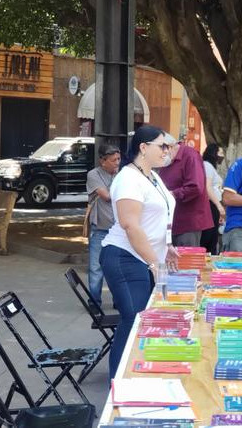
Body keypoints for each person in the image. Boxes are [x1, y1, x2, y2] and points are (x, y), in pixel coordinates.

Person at [99, 126, 179, 379]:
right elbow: (130, 224)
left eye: (168, 146)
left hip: (143, 257)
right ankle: (118, 383)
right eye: (162, 146)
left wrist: (166, 247)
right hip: (125, 256)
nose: (167, 151)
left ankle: (132, 376)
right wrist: (154, 262)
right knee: (133, 320)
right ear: (143, 148)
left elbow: (159, 215)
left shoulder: (152, 176)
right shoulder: (128, 178)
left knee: (140, 319)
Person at [157, 133, 213, 246]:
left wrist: (172, 194)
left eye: (162, 152)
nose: (162, 156)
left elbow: (196, 187)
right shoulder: (167, 160)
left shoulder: (190, 156)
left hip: (188, 222)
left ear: (170, 147)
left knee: (185, 259)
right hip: (171, 221)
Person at [85, 144, 120, 309]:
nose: (117, 163)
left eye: (118, 159)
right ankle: (94, 302)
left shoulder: (120, 175)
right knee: (96, 268)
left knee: (116, 267)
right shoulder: (94, 174)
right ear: (102, 161)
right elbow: (107, 196)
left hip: (118, 229)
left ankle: (118, 300)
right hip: (99, 228)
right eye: (113, 160)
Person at [200, 143, 226, 254]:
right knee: (209, 236)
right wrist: (219, 206)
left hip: (213, 205)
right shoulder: (207, 165)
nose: (222, 156)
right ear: (213, 153)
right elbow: (207, 187)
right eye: (220, 153)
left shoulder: (211, 167)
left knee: (213, 235)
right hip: (211, 205)